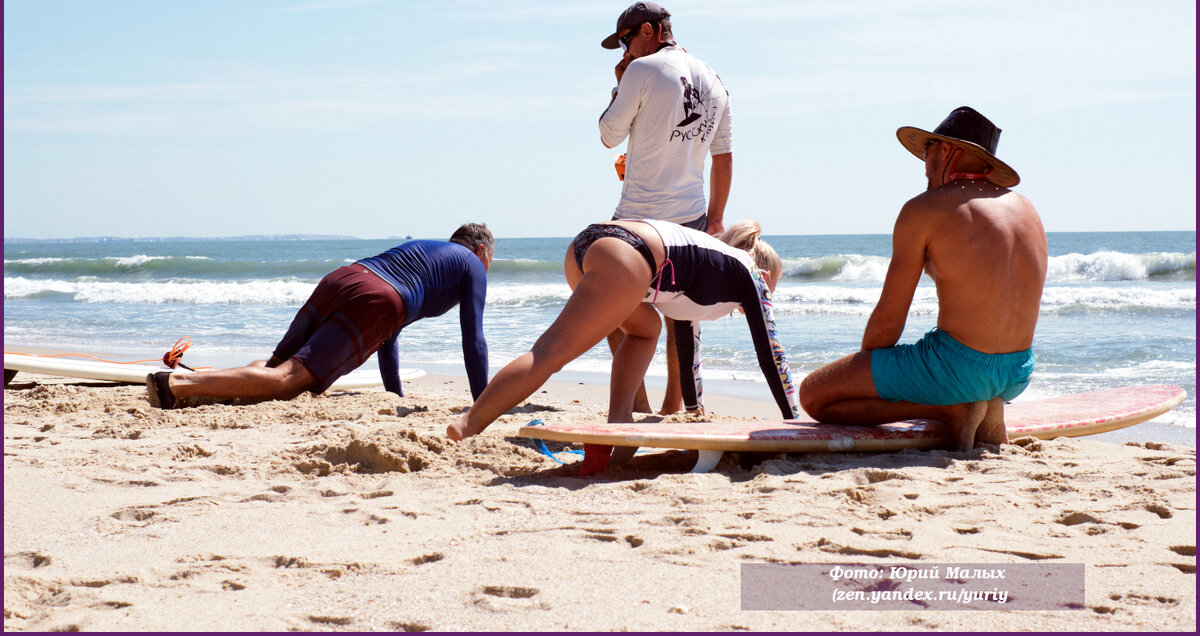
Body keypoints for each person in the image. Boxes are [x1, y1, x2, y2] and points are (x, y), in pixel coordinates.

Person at [798, 107, 1047, 450]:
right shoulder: (1026, 208)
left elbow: (888, 323)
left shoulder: (925, 208)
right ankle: (986, 403)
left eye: (927, 149)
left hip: (959, 369)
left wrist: (867, 368)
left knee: (815, 395)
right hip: (1018, 370)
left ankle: (952, 409)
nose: (924, 161)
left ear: (947, 150)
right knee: (953, 366)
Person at [447, 218, 799, 460]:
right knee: (550, 353)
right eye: (773, 288)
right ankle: (468, 424)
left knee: (646, 329)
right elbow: (772, 352)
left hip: (590, 245)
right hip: (627, 252)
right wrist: (794, 421)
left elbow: (688, 345)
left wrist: (693, 411)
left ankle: (620, 416)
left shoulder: (711, 269)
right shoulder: (748, 272)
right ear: (764, 274)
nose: (769, 297)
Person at [146, 224, 495, 410]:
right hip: (380, 299)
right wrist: (484, 404)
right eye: (489, 262)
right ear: (481, 250)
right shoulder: (471, 264)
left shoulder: (431, 252)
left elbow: (390, 335)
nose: (487, 271)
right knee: (288, 380)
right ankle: (175, 384)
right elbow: (474, 340)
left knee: (275, 367)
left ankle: (196, 388)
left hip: (345, 277)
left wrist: (395, 396)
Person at [598, 1, 734, 413]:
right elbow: (723, 156)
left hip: (639, 217)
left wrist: (620, 86)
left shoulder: (640, 70)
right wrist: (715, 219)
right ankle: (674, 407)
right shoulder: (714, 79)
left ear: (647, 31)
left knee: (610, 308)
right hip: (691, 219)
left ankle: (636, 404)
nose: (624, 53)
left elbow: (608, 135)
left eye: (625, 41)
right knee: (682, 318)